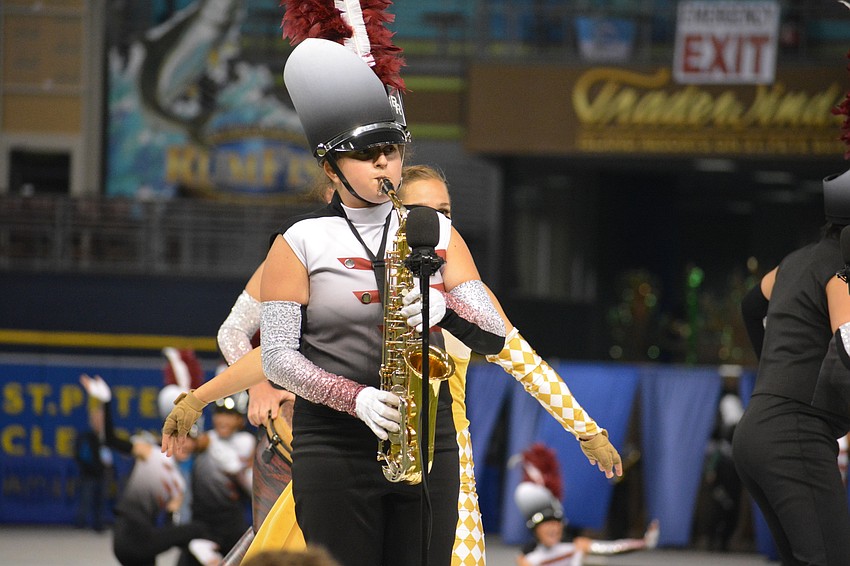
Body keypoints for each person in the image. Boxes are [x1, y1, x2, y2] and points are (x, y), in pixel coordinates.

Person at [735, 168, 850, 565]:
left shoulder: (797, 261)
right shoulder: (842, 272)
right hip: (795, 435)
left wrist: (772, 370)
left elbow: (751, 306)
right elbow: (848, 349)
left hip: (757, 431)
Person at [80, 374, 220, 566]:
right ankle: (204, 552)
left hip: (143, 540)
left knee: (191, 532)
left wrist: (175, 518)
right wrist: (106, 401)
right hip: (130, 534)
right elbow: (111, 440)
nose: (186, 445)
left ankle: (200, 550)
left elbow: (171, 526)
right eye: (182, 438)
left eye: (191, 440)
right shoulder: (150, 452)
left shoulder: (178, 483)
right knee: (198, 529)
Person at [513, 443, 657, 566]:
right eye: (547, 524)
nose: (554, 528)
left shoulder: (575, 546)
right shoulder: (527, 558)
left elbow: (611, 548)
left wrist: (643, 543)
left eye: (556, 523)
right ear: (536, 530)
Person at [74, 391, 113, 532]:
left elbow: (109, 457)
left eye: (101, 419)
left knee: (100, 500)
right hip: (88, 474)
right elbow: (81, 456)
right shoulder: (86, 437)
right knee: (86, 499)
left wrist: (108, 467)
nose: (99, 422)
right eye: (96, 419)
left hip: (102, 474)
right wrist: (91, 468)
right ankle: (80, 523)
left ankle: (98, 524)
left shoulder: (106, 437)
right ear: (91, 421)